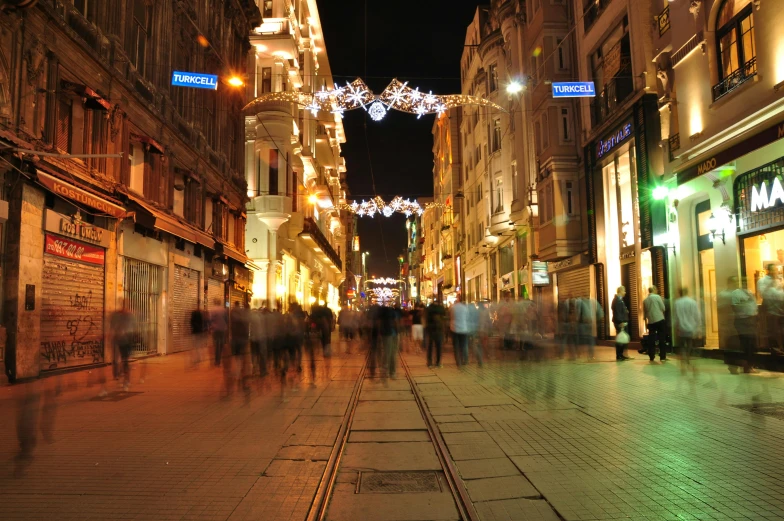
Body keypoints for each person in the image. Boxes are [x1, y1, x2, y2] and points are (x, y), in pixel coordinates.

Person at [731, 277, 759, 373]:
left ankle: (750, 365)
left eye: (746, 281)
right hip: (742, 320)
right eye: (743, 281)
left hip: (751, 320)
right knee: (745, 343)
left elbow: (754, 305)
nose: (745, 283)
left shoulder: (750, 292)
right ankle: (746, 366)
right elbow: (735, 307)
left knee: (752, 343)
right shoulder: (736, 293)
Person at [109, 301, 137, 392]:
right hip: (119, 340)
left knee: (125, 361)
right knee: (119, 360)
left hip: (127, 341)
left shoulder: (130, 316)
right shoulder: (117, 315)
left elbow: (134, 328)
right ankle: (120, 375)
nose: (124, 307)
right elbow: (113, 327)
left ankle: (126, 380)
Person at [758, 264, 784, 355]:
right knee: (773, 330)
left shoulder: (779, 280)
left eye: (776, 270)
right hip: (771, 309)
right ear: (768, 270)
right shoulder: (763, 281)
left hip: (781, 309)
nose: (775, 272)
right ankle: (775, 349)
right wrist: (771, 285)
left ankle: (782, 348)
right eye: (773, 270)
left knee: (781, 330)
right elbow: (763, 294)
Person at [673, 287, 702, 372]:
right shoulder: (692, 302)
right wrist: (698, 327)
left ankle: (683, 363)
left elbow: (675, 316)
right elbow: (697, 315)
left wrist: (675, 327)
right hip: (691, 328)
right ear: (687, 292)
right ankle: (688, 359)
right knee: (690, 345)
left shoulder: (677, 302)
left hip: (681, 328)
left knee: (682, 346)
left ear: (680, 293)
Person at [643, 286, 667, 361]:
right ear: (654, 290)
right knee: (662, 338)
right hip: (659, 319)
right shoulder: (657, 297)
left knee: (651, 339)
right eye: (656, 289)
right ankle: (662, 356)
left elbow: (645, 312)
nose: (657, 291)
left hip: (651, 321)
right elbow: (663, 308)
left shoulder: (645, 300)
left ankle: (651, 356)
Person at [425, 299, 446, 368]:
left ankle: (430, 362)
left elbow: (426, 320)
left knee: (430, 347)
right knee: (438, 347)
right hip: (439, 330)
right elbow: (444, 319)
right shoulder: (441, 310)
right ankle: (438, 362)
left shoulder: (429, 310)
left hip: (431, 330)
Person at [450, 296, 470, 366]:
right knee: (463, 345)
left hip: (455, 329)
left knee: (456, 346)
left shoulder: (453, 308)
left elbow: (451, 317)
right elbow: (467, 318)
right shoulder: (465, 308)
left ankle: (458, 361)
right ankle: (464, 360)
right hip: (463, 329)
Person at [611, 286, 630, 361]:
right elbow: (617, 312)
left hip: (621, 321)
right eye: (624, 291)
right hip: (620, 322)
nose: (625, 292)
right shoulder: (617, 300)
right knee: (620, 339)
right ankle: (619, 355)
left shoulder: (619, 300)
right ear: (620, 291)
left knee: (622, 338)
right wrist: (621, 321)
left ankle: (621, 354)